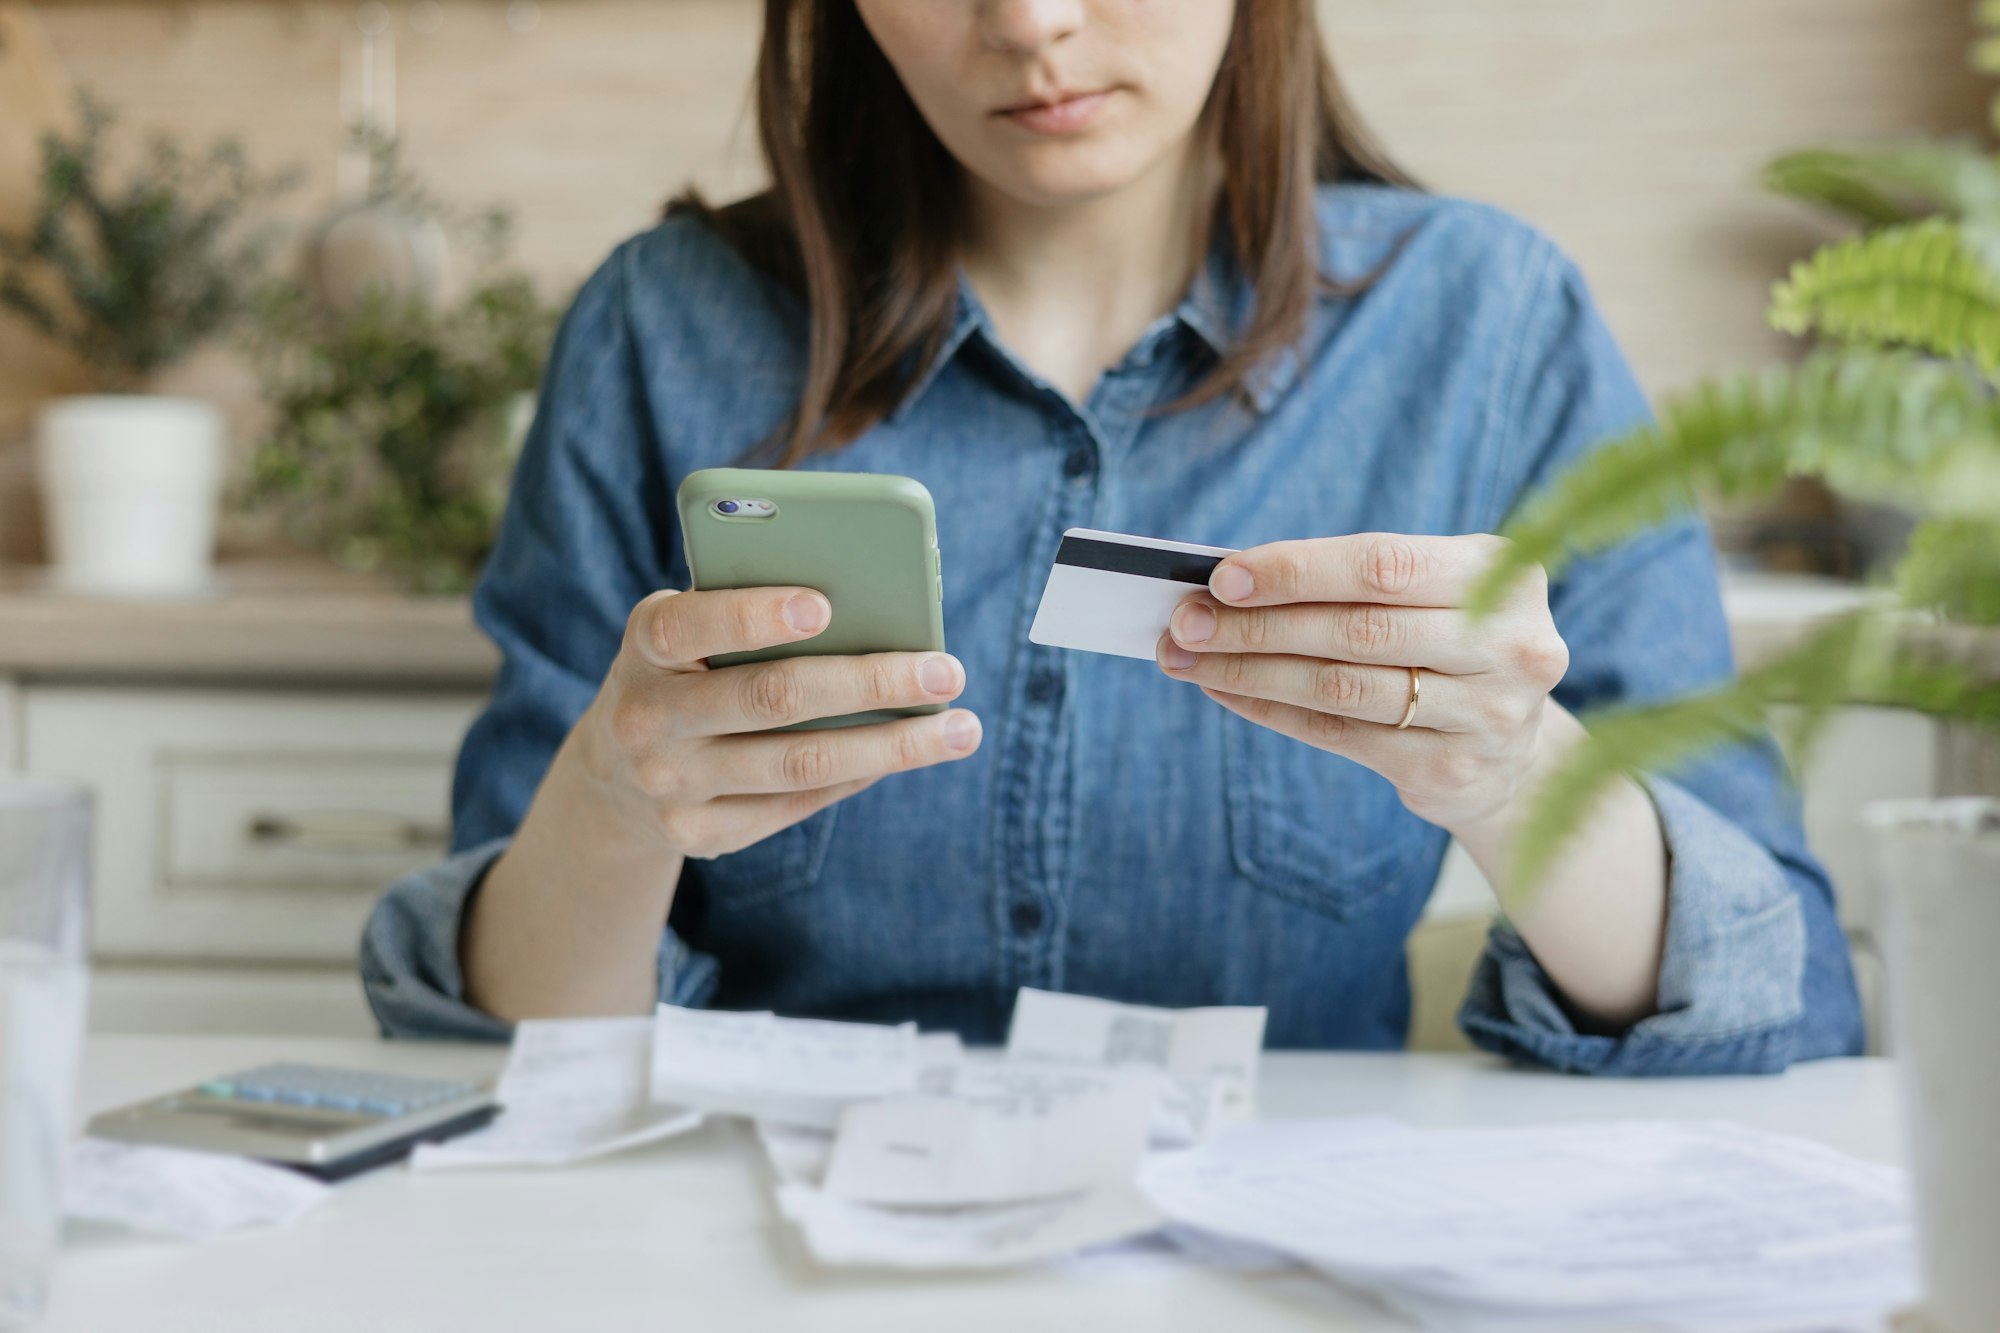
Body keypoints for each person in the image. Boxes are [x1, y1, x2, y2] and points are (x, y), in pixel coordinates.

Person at [361, 0, 1863, 1074]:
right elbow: (489, 1047)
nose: (1031, 22)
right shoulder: (662, 329)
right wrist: (615, 807)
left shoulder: (1492, 324)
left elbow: (1781, 997)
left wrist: (1509, 771)